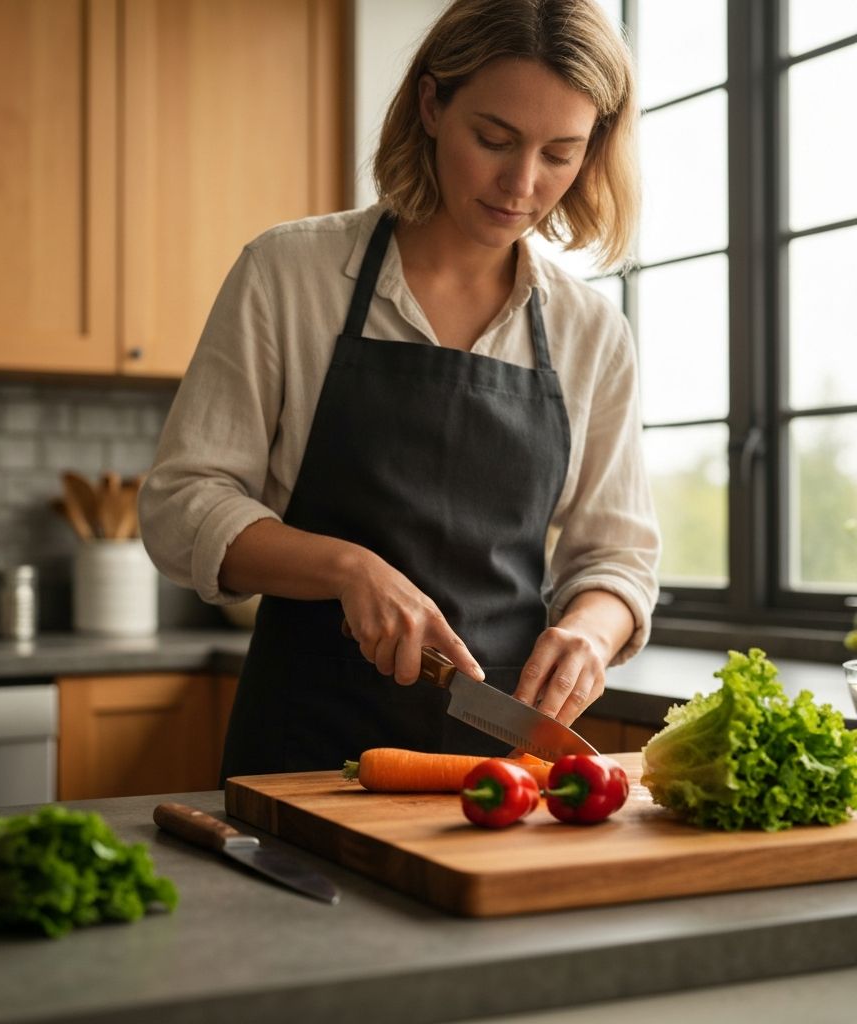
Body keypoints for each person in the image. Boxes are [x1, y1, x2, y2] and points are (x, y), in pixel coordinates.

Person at [139, 0, 660, 780]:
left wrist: (591, 630)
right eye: (494, 139)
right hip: (302, 754)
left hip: (499, 767)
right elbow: (181, 505)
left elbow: (618, 558)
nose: (521, 184)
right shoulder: (290, 274)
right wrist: (348, 569)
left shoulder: (591, 332)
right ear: (431, 104)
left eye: (560, 153)